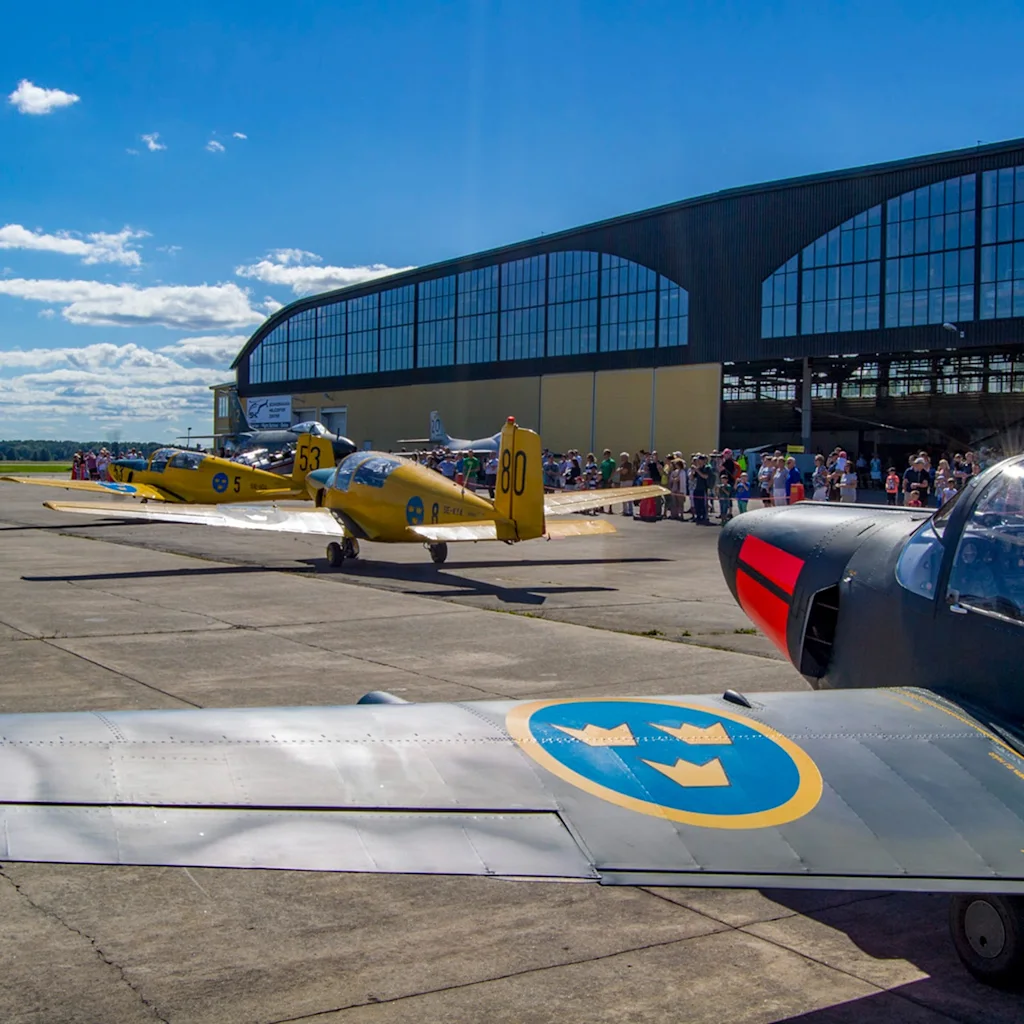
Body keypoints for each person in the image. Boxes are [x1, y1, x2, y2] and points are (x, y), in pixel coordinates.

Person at [691, 454, 711, 524]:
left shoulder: (706, 468)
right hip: (696, 488)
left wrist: (697, 470)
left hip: (703, 488)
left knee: (703, 503)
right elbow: (692, 478)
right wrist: (693, 471)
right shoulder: (698, 468)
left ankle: (704, 516)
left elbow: (705, 476)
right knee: (697, 503)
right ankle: (698, 516)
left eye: (700, 460)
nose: (698, 462)